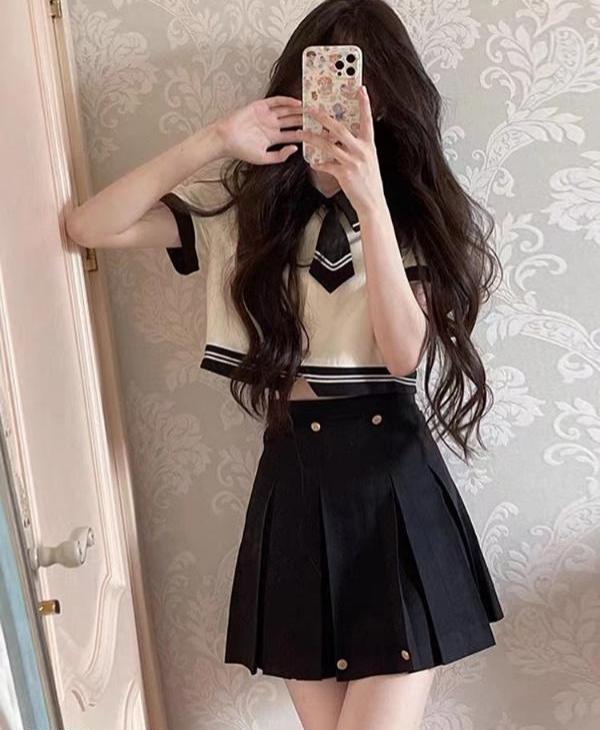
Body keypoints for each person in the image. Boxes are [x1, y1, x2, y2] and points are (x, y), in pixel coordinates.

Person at [66, 1, 505, 727]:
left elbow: (403, 354)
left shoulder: (413, 211)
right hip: (295, 480)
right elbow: (89, 226)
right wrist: (214, 139)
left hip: (393, 485)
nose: (335, 109)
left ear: (387, 102)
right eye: (321, 84)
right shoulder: (247, 207)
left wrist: (371, 204)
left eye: (358, 91)